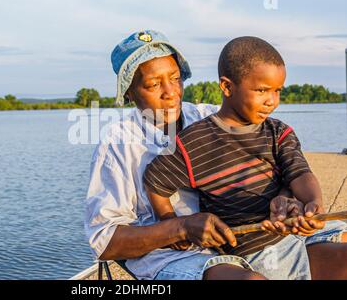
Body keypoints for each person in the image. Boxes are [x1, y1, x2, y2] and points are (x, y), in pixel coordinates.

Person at [84, 30, 330, 280]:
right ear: (129, 93)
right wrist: (179, 228)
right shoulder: (118, 144)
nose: (171, 92)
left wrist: (284, 198)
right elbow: (105, 243)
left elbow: (278, 163)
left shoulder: (208, 117)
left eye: (176, 78)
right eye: (153, 85)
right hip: (173, 256)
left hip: (244, 239)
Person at [143, 36, 347, 279]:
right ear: (227, 87)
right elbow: (155, 181)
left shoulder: (278, 132)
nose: (271, 101)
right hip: (255, 250)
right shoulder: (193, 143)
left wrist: (313, 204)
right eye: (261, 90)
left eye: (277, 91)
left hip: (294, 233)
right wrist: (170, 223)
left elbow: (300, 173)